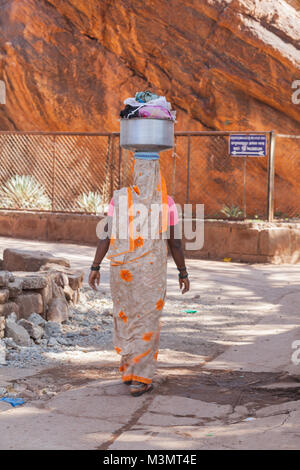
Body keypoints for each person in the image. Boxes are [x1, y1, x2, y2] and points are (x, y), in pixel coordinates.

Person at [89, 152, 190, 397]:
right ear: (157, 173)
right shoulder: (167, 203)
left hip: (122, 271)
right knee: (147, 321)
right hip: (150, 274)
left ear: (136, 171)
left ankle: (128, 371)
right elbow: (174, 242)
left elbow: (107, 235)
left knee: (127, 317)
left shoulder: (120, 198)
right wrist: (182, 272)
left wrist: (95, 266)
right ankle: (140, 377)